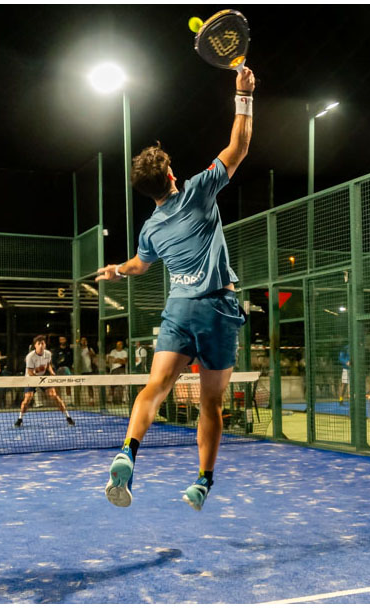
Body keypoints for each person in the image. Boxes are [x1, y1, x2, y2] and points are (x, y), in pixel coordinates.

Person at [96, 65, 255, 511]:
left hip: (179, 310)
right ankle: (202, 481)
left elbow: (139, 265)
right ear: (170, 177)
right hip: (217, 308)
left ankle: (128, 451)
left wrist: (116, 271)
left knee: (155, 387)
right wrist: (243, 94)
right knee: (211, 403)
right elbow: (239, 146)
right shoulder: (200, 190)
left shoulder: (151, 228)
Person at [15, 335, 75, 427]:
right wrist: (38, 373)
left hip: (43, 377)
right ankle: (20, 419)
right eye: (39, 343)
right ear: (35, 345)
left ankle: (68, 417)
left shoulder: (48, 354)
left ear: (45, 345)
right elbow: (30, 372)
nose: (41, 345)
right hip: (31, 378)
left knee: (54, 395)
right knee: (27, 399)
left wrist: (52, 372)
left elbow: (48, 364)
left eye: (43, 343)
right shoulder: (30, 357)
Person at [107, 340, 128, 404]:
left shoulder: (124, 352)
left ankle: (124, 399)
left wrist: (116, 360)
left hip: (121, 369)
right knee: (112, 385)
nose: (119, 345)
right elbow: (110, 360)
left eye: (121, 344)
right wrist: (120, 360)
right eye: (118, 344)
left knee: (123, 385)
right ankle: (110, 399)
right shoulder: (113, 351)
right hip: (114, 369)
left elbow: (124, 362)